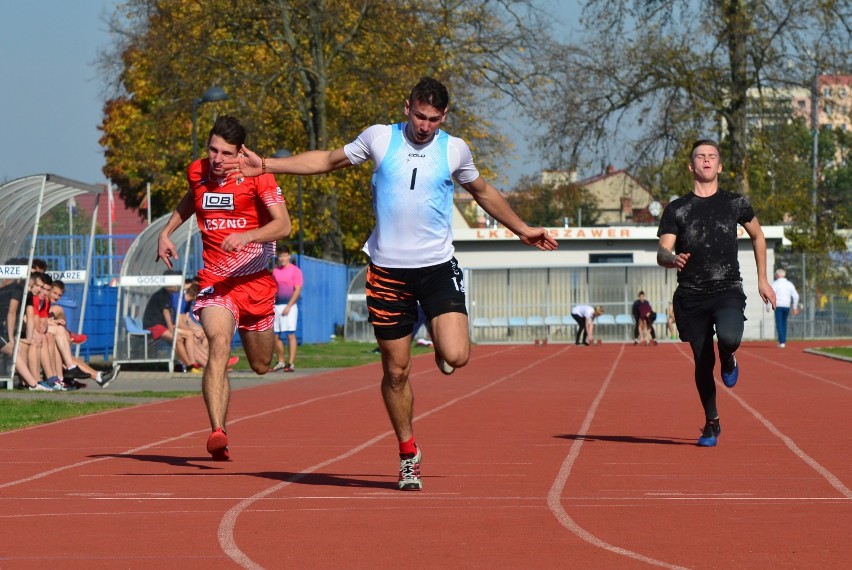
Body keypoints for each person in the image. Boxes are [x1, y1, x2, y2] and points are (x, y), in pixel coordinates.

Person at [226, 77, 557, 490]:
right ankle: (407, 451)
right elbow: (328, 161)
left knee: (457, 355)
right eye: (419, 116)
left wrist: (521, 229)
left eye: (434, 119)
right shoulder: (380, 139)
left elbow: (483, 191)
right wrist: (269, 165)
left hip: (436, 267)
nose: (425, 125)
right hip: (387, 273)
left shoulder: (454, 149)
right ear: (407, 108)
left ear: (444, 117)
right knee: (396, 372)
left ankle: (439, 339)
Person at [157, 115, 291, 461]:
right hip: (216, 283)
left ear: (240, 152)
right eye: (212, 150)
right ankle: (218, 431)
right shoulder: (198, 171)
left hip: (255, 282)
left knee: (261, 364)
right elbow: (193, 199)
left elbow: (283, 225)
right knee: (218, 343)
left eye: (226, 153)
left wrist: (248, 235)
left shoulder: (259, 176)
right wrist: (166, 232)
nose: (217, 159)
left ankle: (227, 414)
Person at [656, 139, 775, 447]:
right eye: (700, 157)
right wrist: (672, 258)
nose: (706, 161)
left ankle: (729, 357)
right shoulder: (677, 209)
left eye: (712, 157)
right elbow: (663, 251)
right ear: (691, 166)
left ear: (720, 166)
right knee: (701, 361)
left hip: (727, 289)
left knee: (730, 337)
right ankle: (711, 423)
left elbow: (759, 236)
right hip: (692, 296)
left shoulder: (735, 203)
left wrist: (763, 279)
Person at [142, 272, 194, 371]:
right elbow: (166, 314)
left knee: (185, 336)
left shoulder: (169, 294)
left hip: (161, 325)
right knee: (177, 339)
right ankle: (189, 365)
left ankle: (189, 363)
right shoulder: (163, 294)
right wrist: (172, 332)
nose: (178, 286)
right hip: (154, 325)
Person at [271, 247, 303, 372]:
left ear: (289, 256)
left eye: (284, 256)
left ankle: (291, 363)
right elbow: (273, 288)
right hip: (277, 306)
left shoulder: (296, 271)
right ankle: (281, 361)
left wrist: (289, 306)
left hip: (289, 306)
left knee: (290, 334)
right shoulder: (275, 271)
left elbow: (298, 290)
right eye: (280, 256)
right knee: (276, 335)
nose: (282, 258)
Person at [771, 268, 799, 348]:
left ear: (778, 275)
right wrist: (795, 307)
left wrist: (769, 305)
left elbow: (771, 294)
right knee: (784, 323)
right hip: (786, 306)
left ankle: (781, 341)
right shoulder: (789, 284)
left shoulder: (775, 283)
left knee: (779, 323)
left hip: (778, 305)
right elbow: (796, 296)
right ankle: (783, 341)